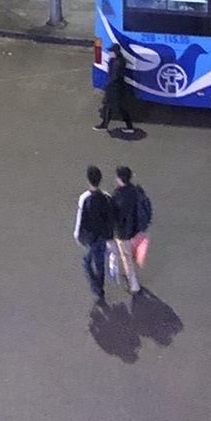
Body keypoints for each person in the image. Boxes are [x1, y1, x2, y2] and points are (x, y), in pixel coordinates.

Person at [72, 165, 115, 305]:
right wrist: (110, 236)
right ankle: (100, 286)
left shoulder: (84, 198)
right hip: (102, 236)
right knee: (100, 262)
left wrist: (77, 234)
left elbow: (80, 217)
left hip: (90, 237)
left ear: (88, 180)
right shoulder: (106, 198)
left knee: (86, 262)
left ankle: (95, 286)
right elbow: (110, 219)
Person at [109, 165, 151, 294]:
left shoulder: (117, 195)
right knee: (131, 252)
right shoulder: (137, 191)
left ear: (120, 179)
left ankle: (134, 285)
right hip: (138, 230)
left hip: (124, 233)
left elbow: (114, 216)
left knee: (126, 257)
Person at [96, 44, 134, 134]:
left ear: (115, 52)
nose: (110, 53)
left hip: (115, 88)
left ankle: (105, 125)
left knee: (112, 106)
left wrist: (107, 86)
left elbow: (114, 76)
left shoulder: (119, 62)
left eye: (111, 52)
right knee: (114, 106)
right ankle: (128, 127)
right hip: (115, 87)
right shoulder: (116, 60)